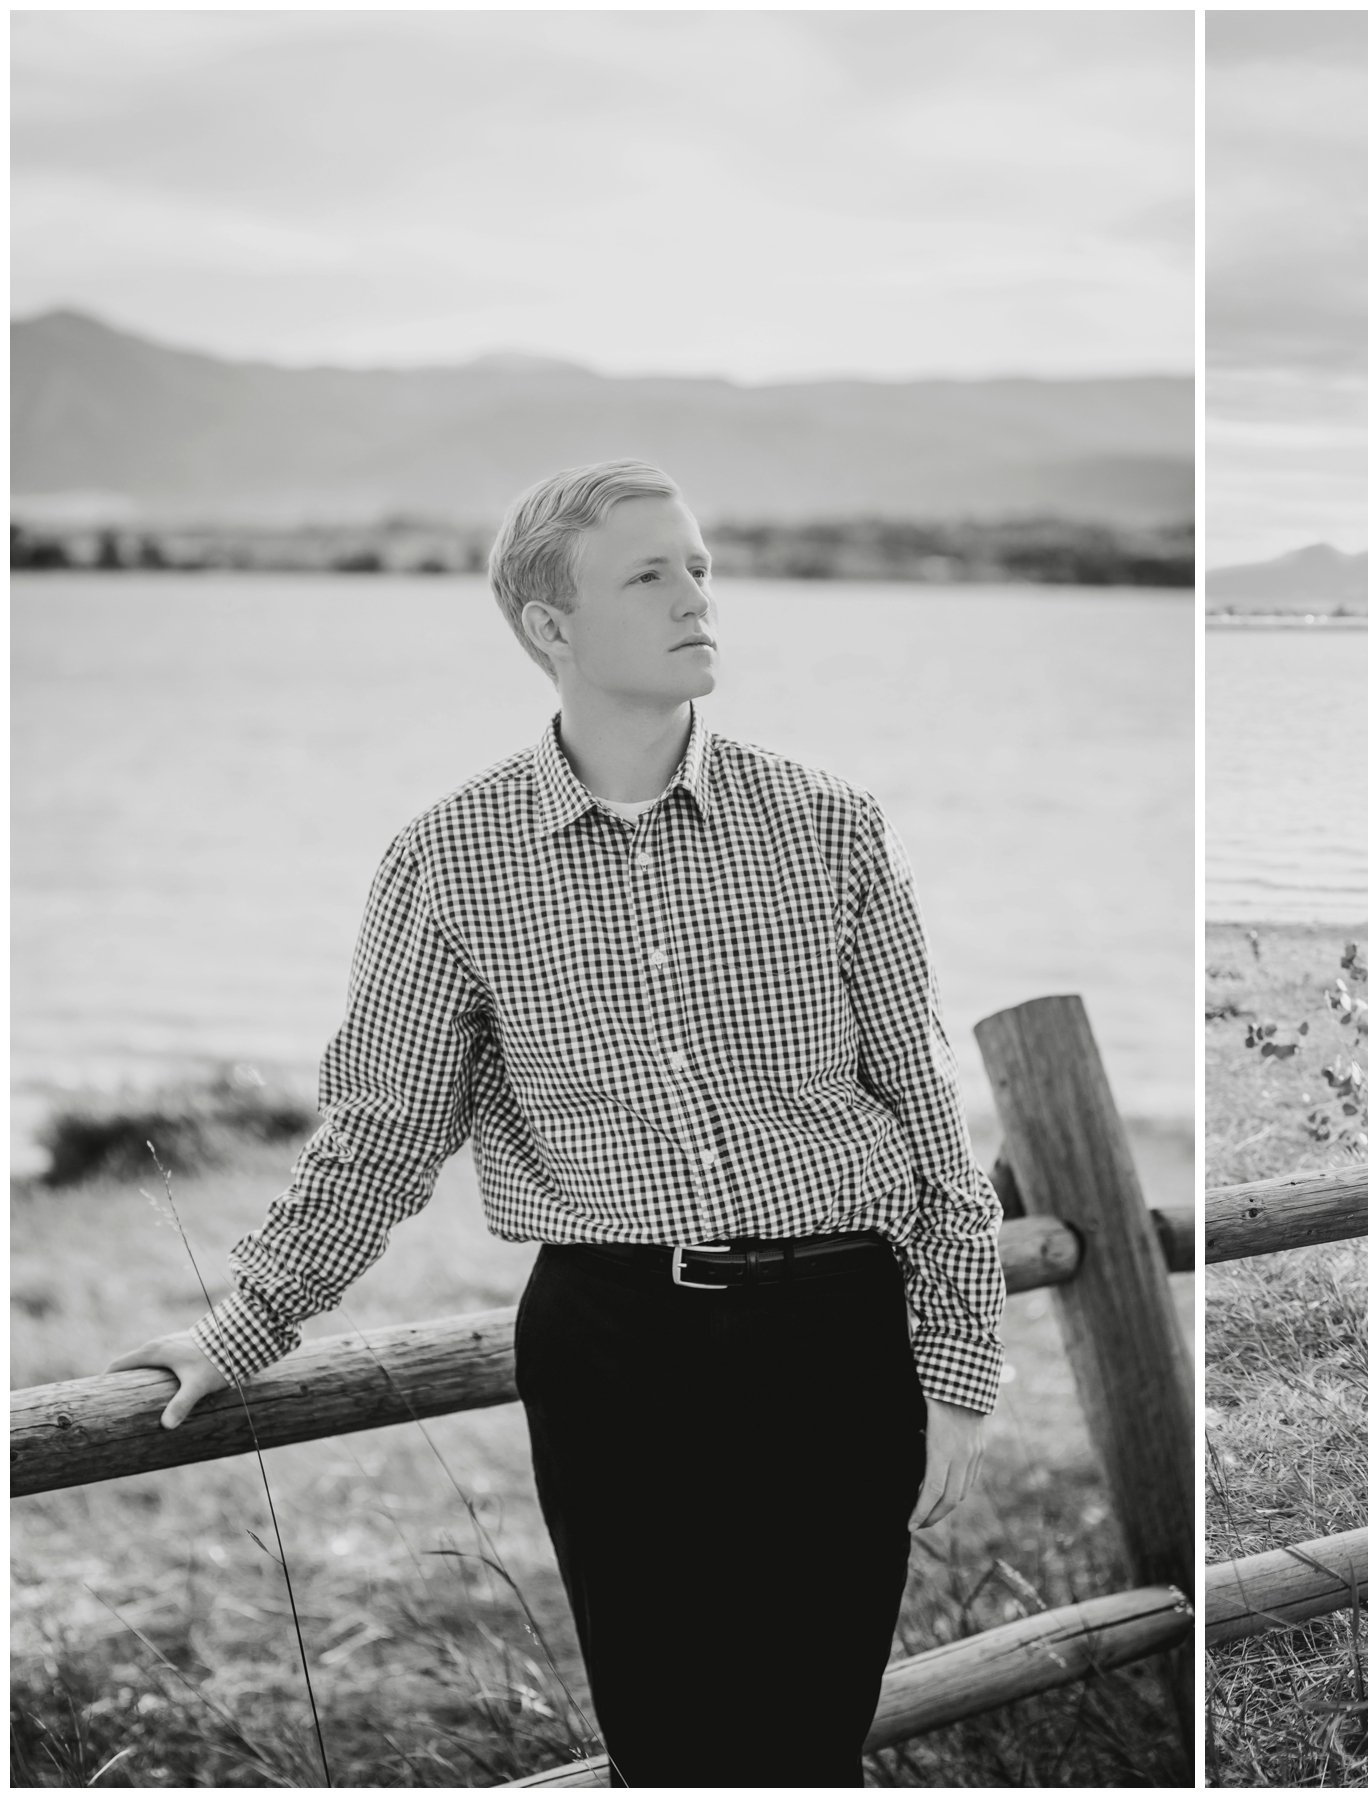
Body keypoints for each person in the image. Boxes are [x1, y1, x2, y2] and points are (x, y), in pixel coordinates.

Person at [106, 459, 1006, 1787]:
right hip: (618, 1354)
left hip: (837, 1343)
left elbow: (927, 1115)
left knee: (809, 1752)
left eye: (699, 565)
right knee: (673, 1752)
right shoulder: (450, 857)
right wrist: (245, 1319)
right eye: (651, 573)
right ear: (550, 627)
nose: (698, 596)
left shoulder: (828, 823)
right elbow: (385, 1131)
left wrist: (961, 1354)